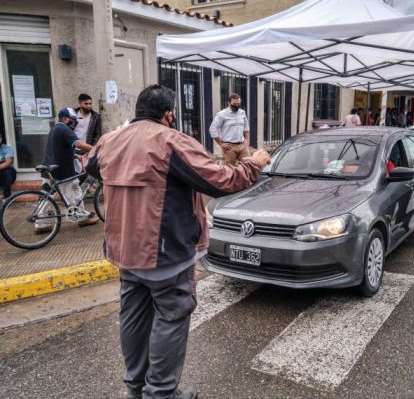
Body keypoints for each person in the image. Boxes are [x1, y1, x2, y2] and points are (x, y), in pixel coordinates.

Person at [85, 84, 270, 399]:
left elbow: (90, 167)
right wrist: (255, 162)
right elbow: (222, 181)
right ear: (169, 114)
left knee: (133, 317)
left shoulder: (110, 140)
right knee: (171, 317)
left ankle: (135, 389)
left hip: (125, 252)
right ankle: (160, 393)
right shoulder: (171, 141)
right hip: (165, 253)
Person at [36, 108, 98, 232]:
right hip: (62, 170)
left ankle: (40, 223)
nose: (75, 123)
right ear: (64, 118)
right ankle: (81, 218)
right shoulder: (64, 129)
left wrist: (76, 155)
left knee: (47, 196)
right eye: (73, 120)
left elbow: (60, 148)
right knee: (75, 190)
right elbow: (79, 144)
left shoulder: (55, 129)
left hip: (49, 167)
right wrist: (97, 149)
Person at [209, 93, 250, 165]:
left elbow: (246, 126)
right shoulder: (222, 114)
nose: (237, 105)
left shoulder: (242, 112)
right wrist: (221, 143)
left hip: (242, 145)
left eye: (238, 104)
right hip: (229, 147)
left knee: (248, 165)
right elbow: (212, 129)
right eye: (235, 104)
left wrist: (247, 139)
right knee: (230, 169)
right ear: (229, 102)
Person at [0, 133, 16, 202]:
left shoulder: (7, 148)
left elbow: (9, 162)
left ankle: (6, 198)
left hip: (7, 172)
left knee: (7, 172)